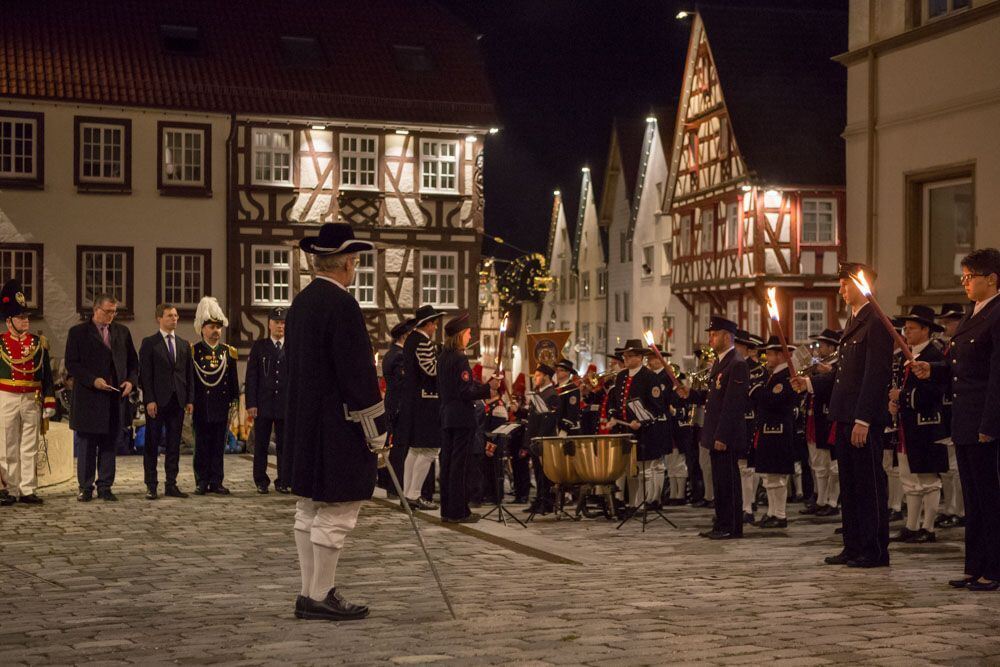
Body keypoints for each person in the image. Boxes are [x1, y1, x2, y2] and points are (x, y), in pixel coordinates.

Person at [283, 222, 388, 621]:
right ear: (346, 263)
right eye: (356, 261)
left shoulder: (301, 303)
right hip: (338, 429)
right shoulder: (343, 306)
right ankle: (321, 592)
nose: (356, 266)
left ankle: (309, 592)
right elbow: (358, 375)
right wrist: (376, 431)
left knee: (308, 507)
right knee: (338, 510)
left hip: (306, 424)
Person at [792, 262, 893, 568]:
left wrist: (863, 418)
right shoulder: (853, 322)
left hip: (862, 419)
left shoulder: (876, 321)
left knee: (868, 485)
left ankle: (873, 550)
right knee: (849, 486)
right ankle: (853, 545)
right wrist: (809, 383)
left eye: (845, 284)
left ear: (863, 285)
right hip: (845, 415)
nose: (840, 289)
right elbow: (844, 376)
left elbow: (875, 375)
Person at [913, 248, 1000, 591]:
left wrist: (990, 425)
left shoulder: (997, 314)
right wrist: (930, 369)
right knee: (972, 498)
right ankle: (973, 565)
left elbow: (996, 376)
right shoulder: (972, 314)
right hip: (964, 420)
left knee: (989, 496)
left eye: (970, 277)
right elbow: (957, 366)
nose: (964, 283)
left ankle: (993, 568)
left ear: (991, 278)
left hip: (983, 422)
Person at [679, 316, 749, 539]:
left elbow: (733, 404)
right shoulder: (720, 362)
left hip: (725, 434)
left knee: (729, 482)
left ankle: (732, 526)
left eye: (715, 334)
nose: (710, 338)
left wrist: (722, 435)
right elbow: (713, 398)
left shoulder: (736, 363)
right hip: (714, 431)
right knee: (719, 482)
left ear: (727, 337)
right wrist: (691, 394)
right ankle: (721, 523)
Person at [65, 294, 138, 502]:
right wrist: (92, 380)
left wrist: (131, 382)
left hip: (114, 399)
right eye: (108, 311)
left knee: (109, 445)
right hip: (89, 399)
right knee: (87, 446)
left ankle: (105, 486)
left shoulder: (122, 332)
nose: (112, 316)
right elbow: (72, 364)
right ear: (96, 310)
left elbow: (134, 362)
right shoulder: (78, 333)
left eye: (114, 312)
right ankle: (85, 487)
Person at [888, 306, 947, 544]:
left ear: (926, 330)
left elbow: (932, 393)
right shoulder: (905, 355)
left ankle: (928, 527)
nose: (907, 332)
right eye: (906, 328)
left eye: (912, 328)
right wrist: (893, 403)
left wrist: (900, 397)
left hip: (927, 425)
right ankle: (911, 525)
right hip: (907, 425)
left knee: (928, 478)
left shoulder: (934, 357)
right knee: (908, 478)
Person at [437, 313, 500, 523]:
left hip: (446, 416)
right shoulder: (460, 358)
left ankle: (447, 510)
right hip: (462, 418)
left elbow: (455, 388)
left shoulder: (443, 357)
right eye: (468, 333)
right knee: (459, 466)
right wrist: (487, 389)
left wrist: (482, 386)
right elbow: (464, 392)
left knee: (447, 463)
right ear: (460, 335)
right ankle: (459, 511)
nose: (470, 335)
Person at [0, 280, 56, 504]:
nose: (25, 321)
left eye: (26, 317)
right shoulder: (1, 344)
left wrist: (49, 401)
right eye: (21, 318)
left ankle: (27, 488)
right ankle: (10, 489)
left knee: (30, 444)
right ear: (9, 321)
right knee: (7, 444)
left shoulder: (38, 343)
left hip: (31, 398)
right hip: (6, 396)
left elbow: (46, 375)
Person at [138, 303, 193, 500]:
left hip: (177, 400)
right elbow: (145, 374)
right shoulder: (150, 343)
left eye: (176, 316)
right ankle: (151, 484)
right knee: (152, 444)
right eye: (170, 316)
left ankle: (171, 483)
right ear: (159, 318)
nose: (174, 319)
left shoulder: (183, 344)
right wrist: (149, 399)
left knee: (173, 445)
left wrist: (189, 399)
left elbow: (188, 375)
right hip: (157, 401)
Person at [395, 304, 447, 510]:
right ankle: (414, 493)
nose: (435, 327)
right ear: (427, 324)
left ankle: (407, 493)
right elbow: (431, 370)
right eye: (434, 323)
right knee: (429, 449)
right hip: (426, 401)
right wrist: (444, 359)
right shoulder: (423, 342)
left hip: (415, 401)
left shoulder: (411, 341)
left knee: (415, 450)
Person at [609, 341, 670, 511]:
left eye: (629, 356)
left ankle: (643, 502)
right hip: (626, 430)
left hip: (646, 431)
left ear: (640, 357)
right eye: (625, 356)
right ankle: (632, 502)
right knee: (630, 469)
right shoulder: (621, 376)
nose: (625, 359)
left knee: (645, 469)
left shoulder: (650, 377)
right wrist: (613, 416)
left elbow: (657, 407)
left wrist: (641, 421)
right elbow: (615, 400)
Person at [190, 296, 240, 495]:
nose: (215, 331)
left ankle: (216, 480)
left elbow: (233, 380)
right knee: (201, 444)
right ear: (202, 329)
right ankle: (201, 480)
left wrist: (235, 401)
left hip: (221, 405)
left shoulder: (228, 353)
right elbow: (192, 380)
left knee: (219, 445)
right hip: (202, 405)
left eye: (218, 327)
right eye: (211, 327)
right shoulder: (194, 352)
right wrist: (190, 401)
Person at [752, 337, 798, 528]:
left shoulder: (786, 375)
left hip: (778, 431)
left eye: (770, 354)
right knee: (769, 476)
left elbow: (774, 399)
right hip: (770, 430)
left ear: (781, 355)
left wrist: (755, 391)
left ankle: (780, 514)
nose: (766, 357)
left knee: (777, 476)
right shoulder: (773, 375)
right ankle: (772, 512)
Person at [246, 307, 289, 494]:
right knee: (261, 444)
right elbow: (252, 377)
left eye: (283, 322)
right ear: (269, 324)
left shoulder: (292, 347)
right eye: (277, 322)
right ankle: (261, 480)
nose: (280, 326)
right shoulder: (260, 346)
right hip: (263, 403)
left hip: (285, 404)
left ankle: (284, 479)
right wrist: (251, 403)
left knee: (284, 445)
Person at [800, 329, 841, 517]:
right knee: (818, 463)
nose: (819, 349)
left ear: (833, 347)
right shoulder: (823, 364)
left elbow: (832, 387)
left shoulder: (838, 365)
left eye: (822, 345)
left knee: (832, 465)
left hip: (828, 418)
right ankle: (821, 499)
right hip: (814, 417)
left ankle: (833, 501)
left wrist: (827, 372)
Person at [933, 303, 966, 528]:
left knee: (956, 468)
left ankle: (961, 511)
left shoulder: (960, 345)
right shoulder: (947, 347)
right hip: (946, 413)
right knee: (947, 468)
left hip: (958, 409)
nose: (946, 326)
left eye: (950, 322)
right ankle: (950, 508)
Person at [379, 318, 415, 497]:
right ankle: (396, 487)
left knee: (396, 448)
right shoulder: (400, 356)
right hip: (399, 405)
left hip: (393, 403)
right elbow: (404, 383)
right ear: (404, 336)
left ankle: (393, 487)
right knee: (399, 448)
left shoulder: (390, 353)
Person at [735, 330, 764, 523]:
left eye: (737, 345)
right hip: (735, 420)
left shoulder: (756, 369)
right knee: (739, 466)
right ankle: (743, 504)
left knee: (747, 467)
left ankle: (748, 505)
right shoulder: (731, 366)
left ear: (745, 347)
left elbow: (753, 395)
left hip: (750, 419)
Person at [523, 363, 558, 514]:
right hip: (535, 439)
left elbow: (549, 420)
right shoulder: (537, 394)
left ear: (546, 377)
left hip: (545, 439)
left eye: (538, 375)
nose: (535, 378)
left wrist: (539, 438)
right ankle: (539, 500)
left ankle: (547, 502)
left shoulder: (551, 394)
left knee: (545, 473)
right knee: (537, 472)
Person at [553, 360, 582, 436]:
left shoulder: (573, 388)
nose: (557, 372)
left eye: (561, 370)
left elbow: (573, 411)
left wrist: (564, 430)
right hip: (555, 428)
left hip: (568, 430)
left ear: (568, 373)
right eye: (557, 370)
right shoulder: (554, 388)